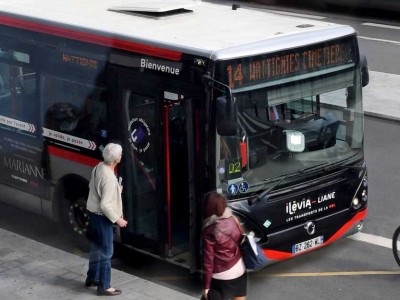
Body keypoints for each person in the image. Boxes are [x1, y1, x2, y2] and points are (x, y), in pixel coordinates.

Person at [85, 143, 128, 296]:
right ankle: (104, 286)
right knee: (106, 251)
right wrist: (118, 219)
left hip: (92, 212)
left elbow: (94, 187)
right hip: (102, 218)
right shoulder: (110, 178)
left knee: (96, 247)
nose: (121, 156)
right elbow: (105, 205)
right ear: (117, 159)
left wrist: (116, 190)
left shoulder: (98, 166)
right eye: (120, 154)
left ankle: (92, 277)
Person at [202, 192, 247, 300]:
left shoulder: (209, 230)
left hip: (221, 275)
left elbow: (208, 261)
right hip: (239, 270)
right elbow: (240, 240)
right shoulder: (234, 220)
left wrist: (206, 286)